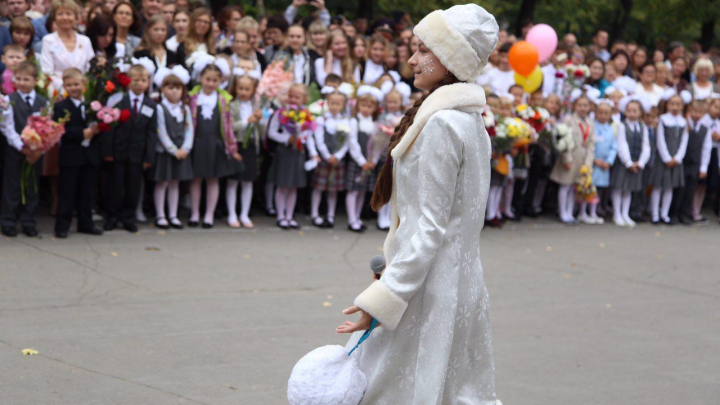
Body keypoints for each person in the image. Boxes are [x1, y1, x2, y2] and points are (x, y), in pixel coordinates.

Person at [336, 5, 501, 404]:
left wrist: (383, 298)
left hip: (425, 290)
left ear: (451, 60)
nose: (412, 59)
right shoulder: (470, 118)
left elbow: (430, 229)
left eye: (425, 50)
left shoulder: (444, 123)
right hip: (458, 283)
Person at [101, 64, 157, 233]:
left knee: (133, 187)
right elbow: (109, 128)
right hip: (118, 151)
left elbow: (151, 133)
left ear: (148, 83)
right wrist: (108, 151)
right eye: (135, 80)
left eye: (143, 80)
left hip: (137, 154)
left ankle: (128, 217)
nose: (139, 83)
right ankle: (112, 216)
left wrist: (149, 157)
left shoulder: (151, 105)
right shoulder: (118, 101)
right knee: (116, 185)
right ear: (128, 81)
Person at [187, 61, 240, 228]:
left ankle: (209, 214)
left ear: (220, 81)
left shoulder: (223, 100)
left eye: (214, 80)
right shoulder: (193, 99)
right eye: (208, 79)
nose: (210, 83)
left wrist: (232, 148)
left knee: (212, 179)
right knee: (196, 179)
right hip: (197, 142)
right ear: (201, 78)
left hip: (215, 143)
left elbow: (228, 126)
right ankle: (195, 213)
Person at [53, 68, 103, 239]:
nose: (73, 88)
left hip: (89, 155)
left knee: (87, 192)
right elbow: (60, 130)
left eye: (77, 84)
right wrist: (82, 133)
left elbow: (101, 124)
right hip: (70, 155)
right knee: (67, 192)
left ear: (84, 84)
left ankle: (86, 223)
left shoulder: (92, 105)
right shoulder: (60, 107)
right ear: (65, 86)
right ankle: (62, 225)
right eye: (69, 85)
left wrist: (98, 129)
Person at [0, 61, 46, 237]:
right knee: (12, 185)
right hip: (16, 150)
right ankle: (8, 220)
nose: (21, 82)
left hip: (35, 152)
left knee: (32, 185)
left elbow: (47, 127)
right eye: (18, 79)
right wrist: (23, 147)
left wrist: (38, 149)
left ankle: (28, 220)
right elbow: (7, 128)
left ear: (35, 80)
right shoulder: (8, 101)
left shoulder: (43, 101)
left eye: (26, 79)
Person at [267, 83, 315, 229]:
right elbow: (272, 132)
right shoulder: (281, 113)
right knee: (282, 185)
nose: (293, 99)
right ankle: (280, 216)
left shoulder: (306, 115)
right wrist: (286, 139)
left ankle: (289, 216)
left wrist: (313, 153)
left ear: (304, 99)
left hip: (298, 152)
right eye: (291, 96)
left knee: (293, 186)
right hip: (285, 151)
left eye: (297, 97)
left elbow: (310, 135)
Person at [152, 66, 193, 230]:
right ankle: (160, 215)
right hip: (167, 152)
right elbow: (160, 131)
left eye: (178, 88)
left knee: (175, 183)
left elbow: (189, 130)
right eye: (170, 88)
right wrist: (172, 149)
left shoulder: (185, 109)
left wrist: (185, 148)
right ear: (163, 89)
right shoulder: (160, 108)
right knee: (163, 182)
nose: (174, 92)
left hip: (181, 151)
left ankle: (173, 215)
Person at [550, 95, 596, 224]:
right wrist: (566, 159)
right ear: (575, 106)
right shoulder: (569, 120)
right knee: (565, 186)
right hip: (570, 159)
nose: (582, 108)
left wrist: (588, 162)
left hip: (582, 161)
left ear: (590, 107)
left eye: (585, 105)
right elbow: (563, 140)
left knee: (574, 187)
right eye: (580, 105)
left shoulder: (590, 123)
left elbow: (591, 144)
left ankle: (570, 212)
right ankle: (563, 212)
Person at [310, 88, 350, 228]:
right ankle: (315, 213)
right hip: (325, 158)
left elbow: (346, 143)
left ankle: (330, 215)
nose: (334, 106)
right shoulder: (322, 119)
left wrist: (338, 156)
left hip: (337, 160)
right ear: (327, 103)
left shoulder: (345, 121)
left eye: (338, 104)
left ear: (343, 105)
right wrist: (327, 156)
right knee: (319, 187)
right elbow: (319, 140)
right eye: (332, 103)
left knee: (333, 189)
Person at [229, 69, 262, 229]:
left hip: (251, 145)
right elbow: (230, 127)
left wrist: (259, 120)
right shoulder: (232, 105)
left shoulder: (255, 106)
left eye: (247, 89)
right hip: (237, 145)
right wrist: (246, 122)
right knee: (233, 181)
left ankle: (244, 213)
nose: (243, 92)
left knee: (248, 181)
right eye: (240, 88)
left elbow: (261, 130)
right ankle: (232, 213)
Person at [345, 85, 381, 232]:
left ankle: (357, 217)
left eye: (369, 106)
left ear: (374, 108)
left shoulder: (374, 125)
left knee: (362, 191)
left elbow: (377, 144)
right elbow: (352, 143)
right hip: (358, 161)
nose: (366, 109)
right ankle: (351, 219)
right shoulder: (354, 122)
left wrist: (373, 160)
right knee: (353, 190)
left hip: (368, 162)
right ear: (358, 105)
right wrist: (361, 161)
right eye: (363, 105)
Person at [611, 99, 651, 227]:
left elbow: (646, 146)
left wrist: (641, 162)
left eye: (635, 111)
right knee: (619, 188)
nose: (632, 113)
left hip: (637, 162)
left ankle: (625, 213)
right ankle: (617, 213)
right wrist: (628, 162)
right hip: (625, 163)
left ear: (640, 112)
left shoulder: (643, 127)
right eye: (629, 111)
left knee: (628, 189)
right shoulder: (622, 126)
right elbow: (621, 145)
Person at [650, 93, 688, 225]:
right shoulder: (663, 119)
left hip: (676, 159)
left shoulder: (683, 122)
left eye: (678, 104)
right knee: (658, 186)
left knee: (669, 187)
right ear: (667, 105)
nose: (675, 107)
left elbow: (684, 141)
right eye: (672, 104)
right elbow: (660, 140)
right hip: (663, 159)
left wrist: (678, 158)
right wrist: (666, 158)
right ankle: (655, 213)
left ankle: (664, 214)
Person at [673, 100, 711, 224]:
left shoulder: (706, 129)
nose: (696, 114)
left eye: (700, 112)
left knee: (690, 190)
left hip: (695, 164)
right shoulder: (685, 125)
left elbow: (706, 148)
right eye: (694, 111)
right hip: (683, 163)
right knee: (679, 189)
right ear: (690, 111)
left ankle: (685, 213)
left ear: (704, 113)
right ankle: (674, 213)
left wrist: (703, 167)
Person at [40, 0, 94, 85]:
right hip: (58, 92)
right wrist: (67, 87)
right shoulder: (48, 40)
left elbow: (90, 69)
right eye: (60, 14)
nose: (64, 18)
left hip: (83, 90)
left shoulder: (85, 41)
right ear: (54, 18)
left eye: (68, 14)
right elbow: (47, 71)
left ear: (76, 18)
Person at [583, 101, 616, 224]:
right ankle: (584, 211)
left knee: (600, 190)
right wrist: (595, 159)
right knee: (590, 188)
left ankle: (594, 211)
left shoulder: (611, 129)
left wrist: (609, 161)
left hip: (604, 165)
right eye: (601, 113)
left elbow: (614, 146)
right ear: (596, 113)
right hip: (594, 163)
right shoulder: (592, 126)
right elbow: (589, 144)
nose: (603, 116)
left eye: (606, 113)